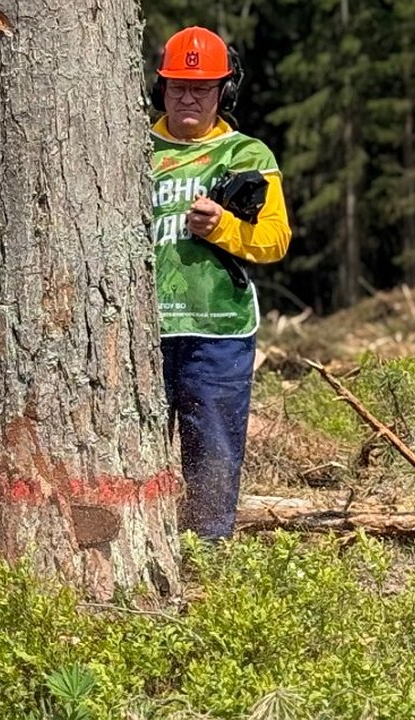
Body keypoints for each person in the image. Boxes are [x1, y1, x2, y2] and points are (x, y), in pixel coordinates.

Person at [149, 27, 292, 539]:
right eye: (178, 86)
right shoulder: (133, 148)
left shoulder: (248, 154)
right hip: (142, 334)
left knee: (214, 454)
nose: (189, 97)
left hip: (220, 332)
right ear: (160, 87)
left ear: (223, 91)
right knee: (136, 451)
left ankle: (210, 553)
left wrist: (224, 228)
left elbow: (275, 240)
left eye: (202, 88)